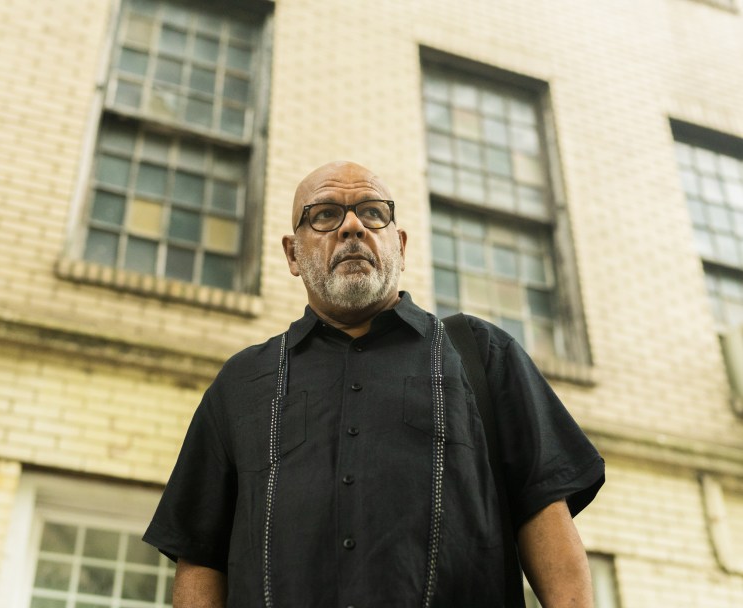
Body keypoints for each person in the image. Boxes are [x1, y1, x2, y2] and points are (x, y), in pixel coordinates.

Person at [143, 160, 605, 608]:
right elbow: (201, 557)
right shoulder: (242, 382)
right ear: (292, 254)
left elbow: (544, 513)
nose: (352, 227)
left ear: (400, 245)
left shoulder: (481, 355)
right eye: (324, 215)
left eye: (372, 213)